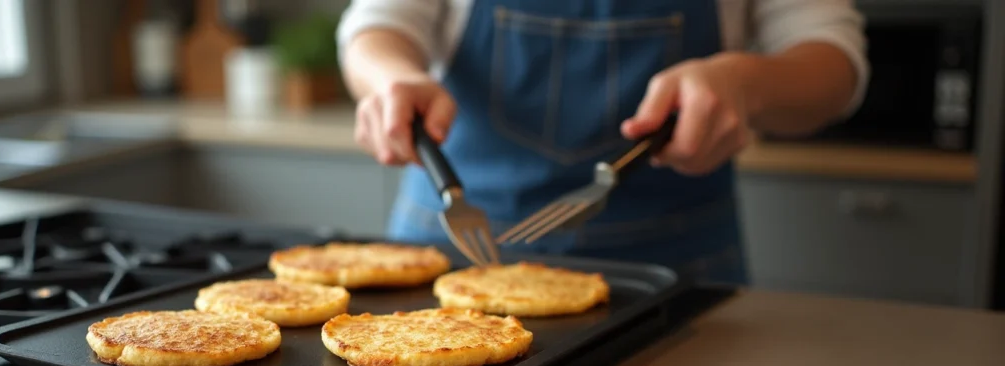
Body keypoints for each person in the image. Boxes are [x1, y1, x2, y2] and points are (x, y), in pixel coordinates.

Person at [336, 1, 867, 284]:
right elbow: (377, 24)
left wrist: (744, 83)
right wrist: (388, 79)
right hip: (443, 253)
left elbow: (833, 61)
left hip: (672, 270)